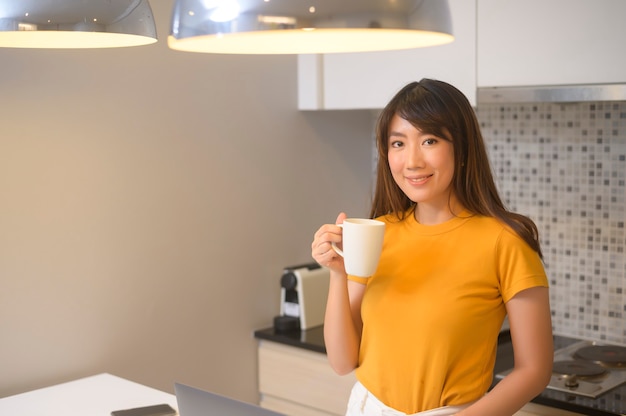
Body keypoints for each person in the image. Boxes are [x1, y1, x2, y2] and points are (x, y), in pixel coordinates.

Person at [311, 79, 553, 416]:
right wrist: (338, 275)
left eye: (429, 140)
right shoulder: (380, 232)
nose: (411, 161)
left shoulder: (506, 242)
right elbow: (342, 362)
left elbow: (535, 370)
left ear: (462, 148)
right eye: (398, 143)